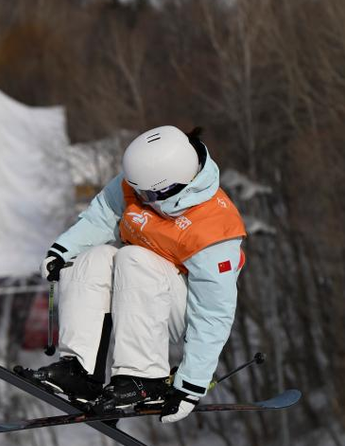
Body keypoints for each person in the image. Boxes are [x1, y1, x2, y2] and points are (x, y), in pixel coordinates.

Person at [26, 125, 246, 423]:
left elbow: (213, 313)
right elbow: (103, 215)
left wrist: (190, 386)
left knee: (134, 257)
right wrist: (63, 250)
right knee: (95, 257)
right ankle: (80, 371)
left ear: (174, 186)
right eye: (137, 189)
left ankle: (143, 379)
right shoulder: (142, 181)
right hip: (138, 294)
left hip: (179, 308)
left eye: (148, 193)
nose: (140, 198)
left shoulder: (214, 230)